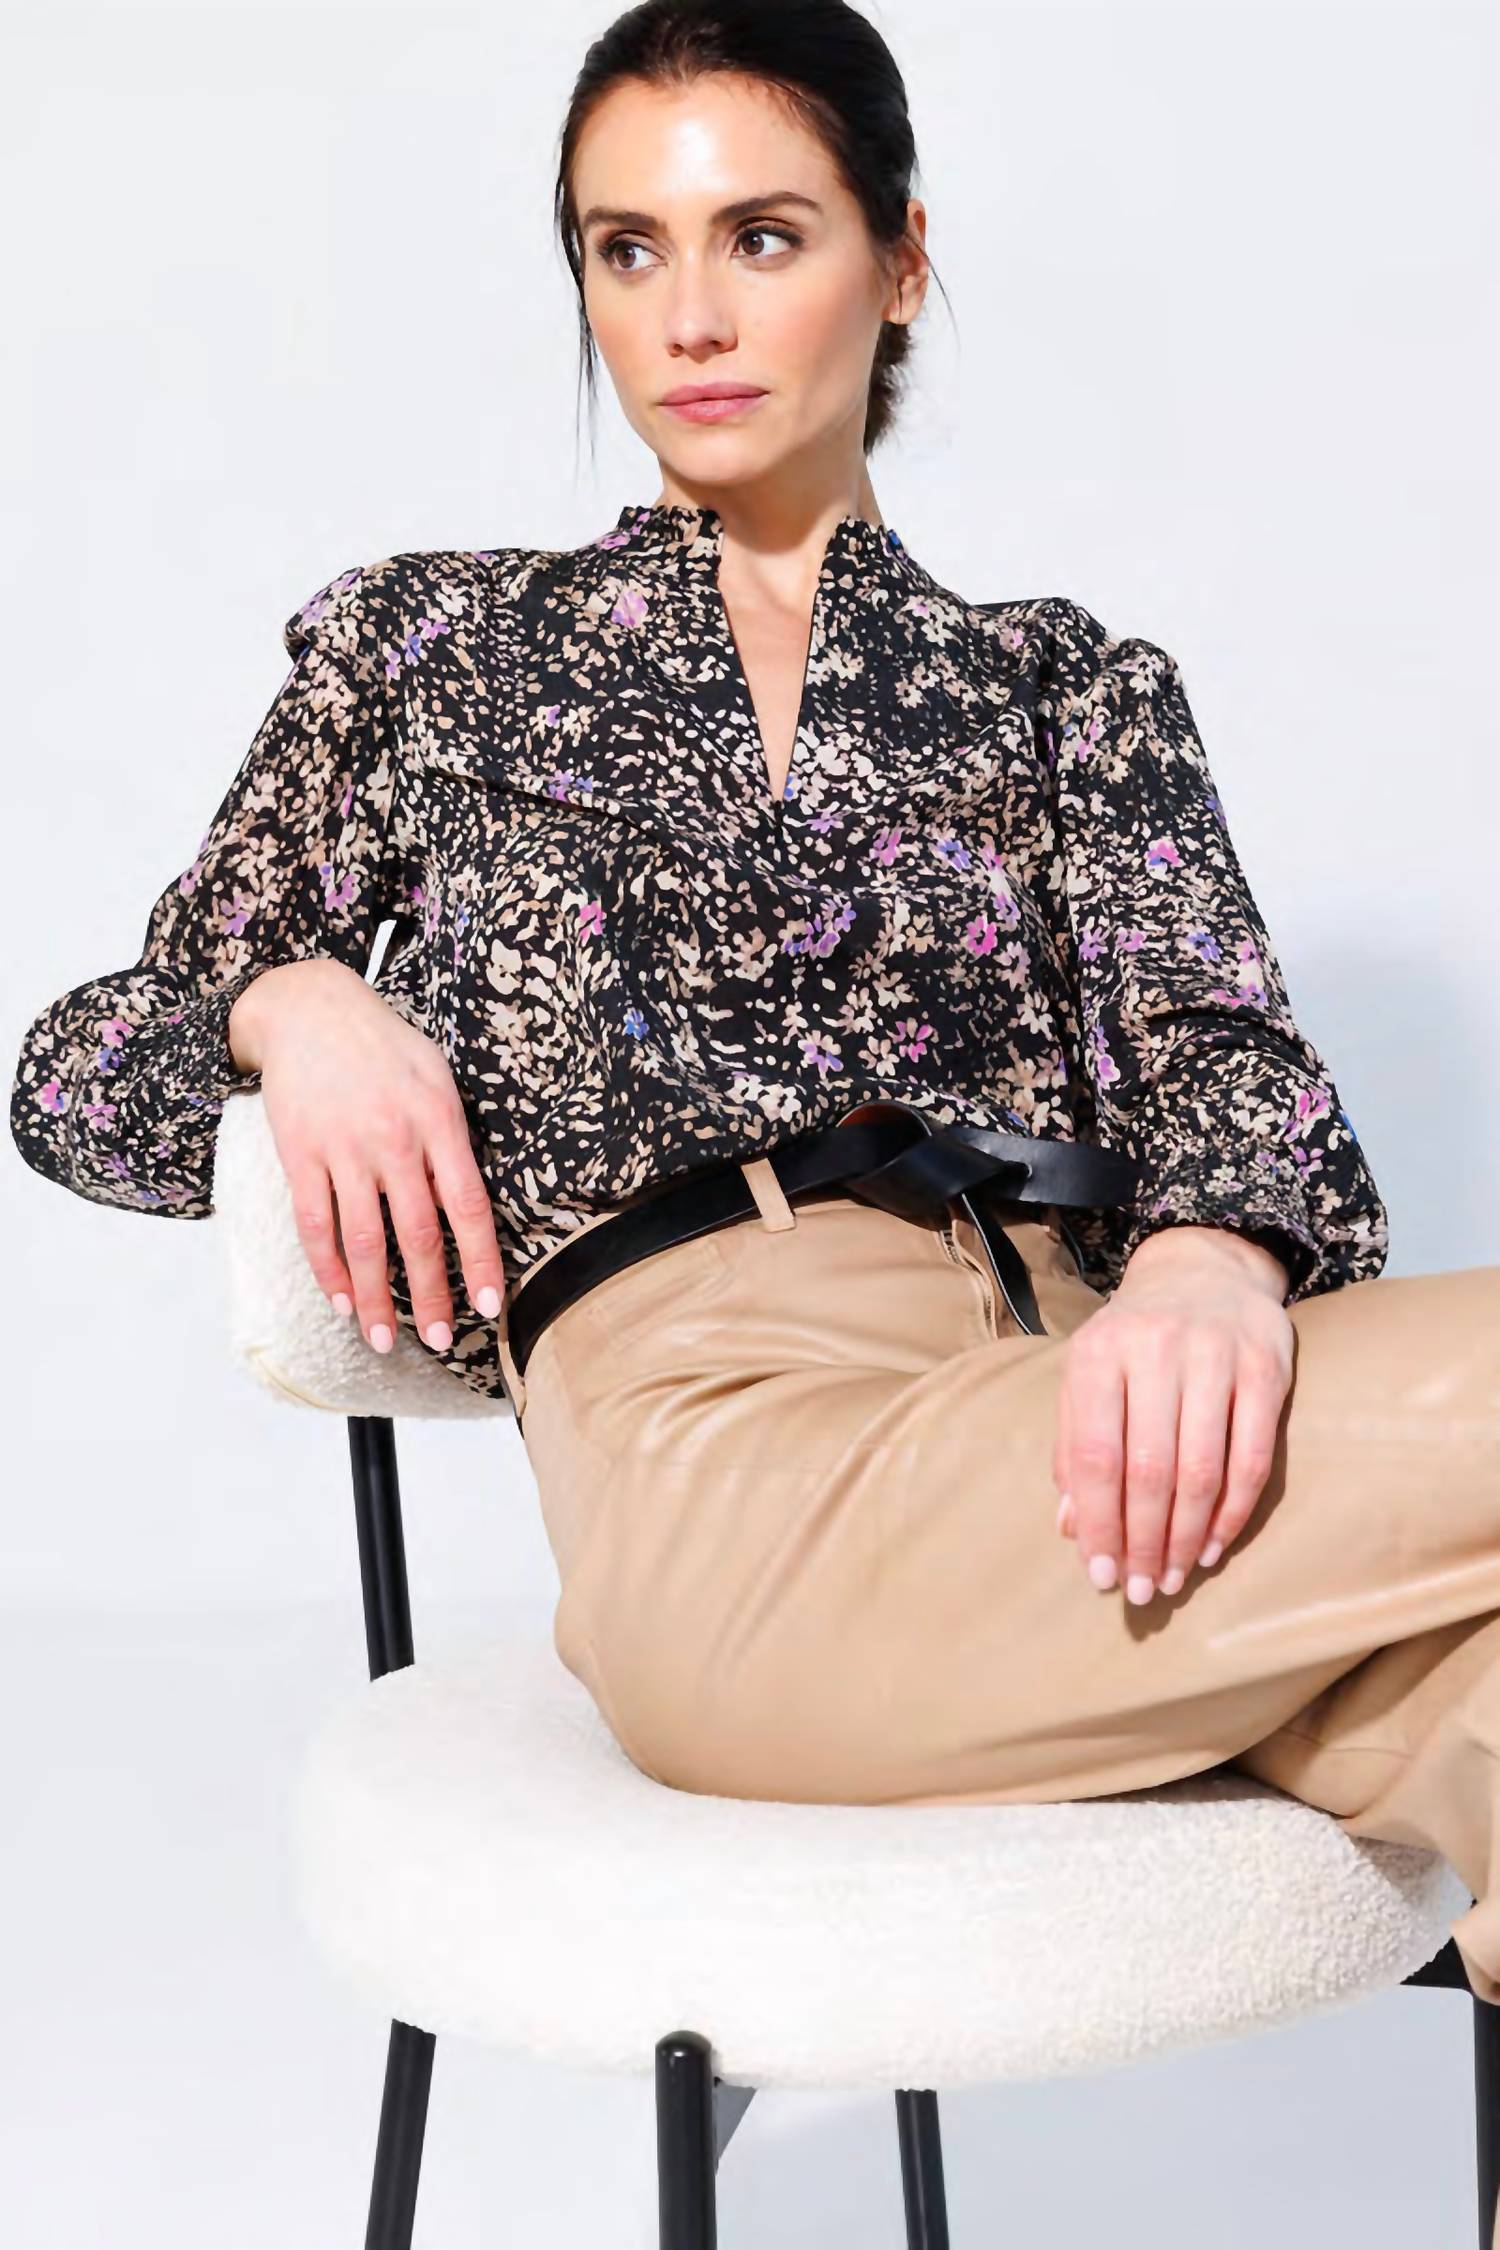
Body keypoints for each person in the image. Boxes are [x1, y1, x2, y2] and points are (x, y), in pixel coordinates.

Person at [10, 0, 1500, 2089]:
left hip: (1095, 1439)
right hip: (723, 1478)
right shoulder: (437, 651)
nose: (689, 315)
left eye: (763, 237)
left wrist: (1202, 1263)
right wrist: (292, 1002)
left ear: (900, 260)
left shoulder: (1063, 688)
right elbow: (79, 1070)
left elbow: (1233, 1068)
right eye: (626, 248)